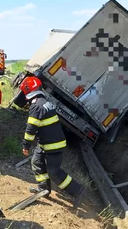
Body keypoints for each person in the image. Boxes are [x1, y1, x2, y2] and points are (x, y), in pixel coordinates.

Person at [19, 76, 85, 208]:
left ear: (27, 91)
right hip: (46, 143)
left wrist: (26, 145)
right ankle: (44, 189)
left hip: (52, 145)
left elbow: (31, 128)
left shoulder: (36, 106)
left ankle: (78, 191)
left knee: (54, 172)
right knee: (37, 162)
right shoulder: (44, 102)